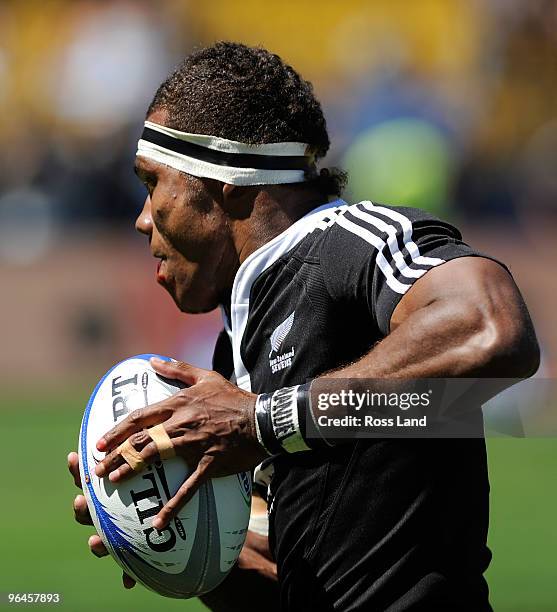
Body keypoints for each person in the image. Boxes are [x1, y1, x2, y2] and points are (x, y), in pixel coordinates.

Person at [68, 42, 540, 611]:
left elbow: (493, 330)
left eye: (152, 184)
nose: (142, 219)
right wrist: (176, 544)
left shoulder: (350, 241)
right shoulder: (235, 346)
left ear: (224, 179)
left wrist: (263, 421)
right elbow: (299, 583)